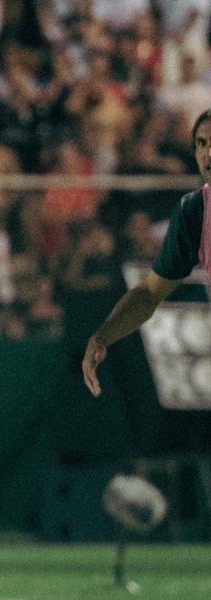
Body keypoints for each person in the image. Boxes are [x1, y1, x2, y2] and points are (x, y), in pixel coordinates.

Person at [83, 109, 211, 399]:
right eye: (201, 143)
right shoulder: (194, 212)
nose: (208, 153)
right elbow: (150, 293)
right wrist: (103, 336)